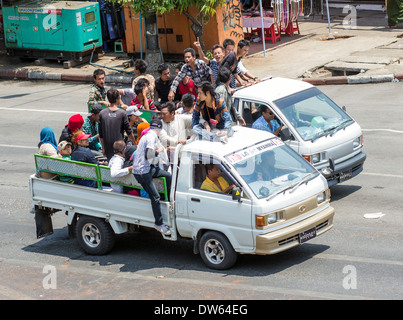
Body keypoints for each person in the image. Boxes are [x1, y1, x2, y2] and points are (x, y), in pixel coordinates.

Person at [132, 119, 172, 236]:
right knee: (155, 196)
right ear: (160, 129)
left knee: (168, 176)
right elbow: (149, 155)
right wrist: (158, 151)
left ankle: (168, 199)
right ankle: (158, 223)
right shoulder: (151, 137)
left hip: (148, 168)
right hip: (142, 172)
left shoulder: (148, 135)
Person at [99, 89, 136, 161]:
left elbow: (101, 134)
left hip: (108, 147)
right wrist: (135, 144)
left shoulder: (102, 113)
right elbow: (129, 132)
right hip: (120, 148)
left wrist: (103, 148)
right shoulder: (122, 113)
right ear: (118, 99)